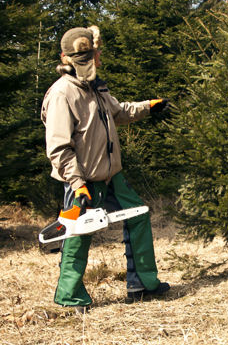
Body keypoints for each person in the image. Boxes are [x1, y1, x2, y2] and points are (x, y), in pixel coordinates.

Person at [41, 25, 170, 312]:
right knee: (77, 235)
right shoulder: (62, 94)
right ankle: (70, 296)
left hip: (113, 177)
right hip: (83, 180)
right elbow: (59, 148)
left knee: (139, 215)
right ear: (67, 58)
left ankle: (143, 284)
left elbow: (117, 112)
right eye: (87, 57)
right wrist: (78, 184)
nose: (95, 60)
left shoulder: (96, 87)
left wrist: (149, 107)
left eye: (95, 54)